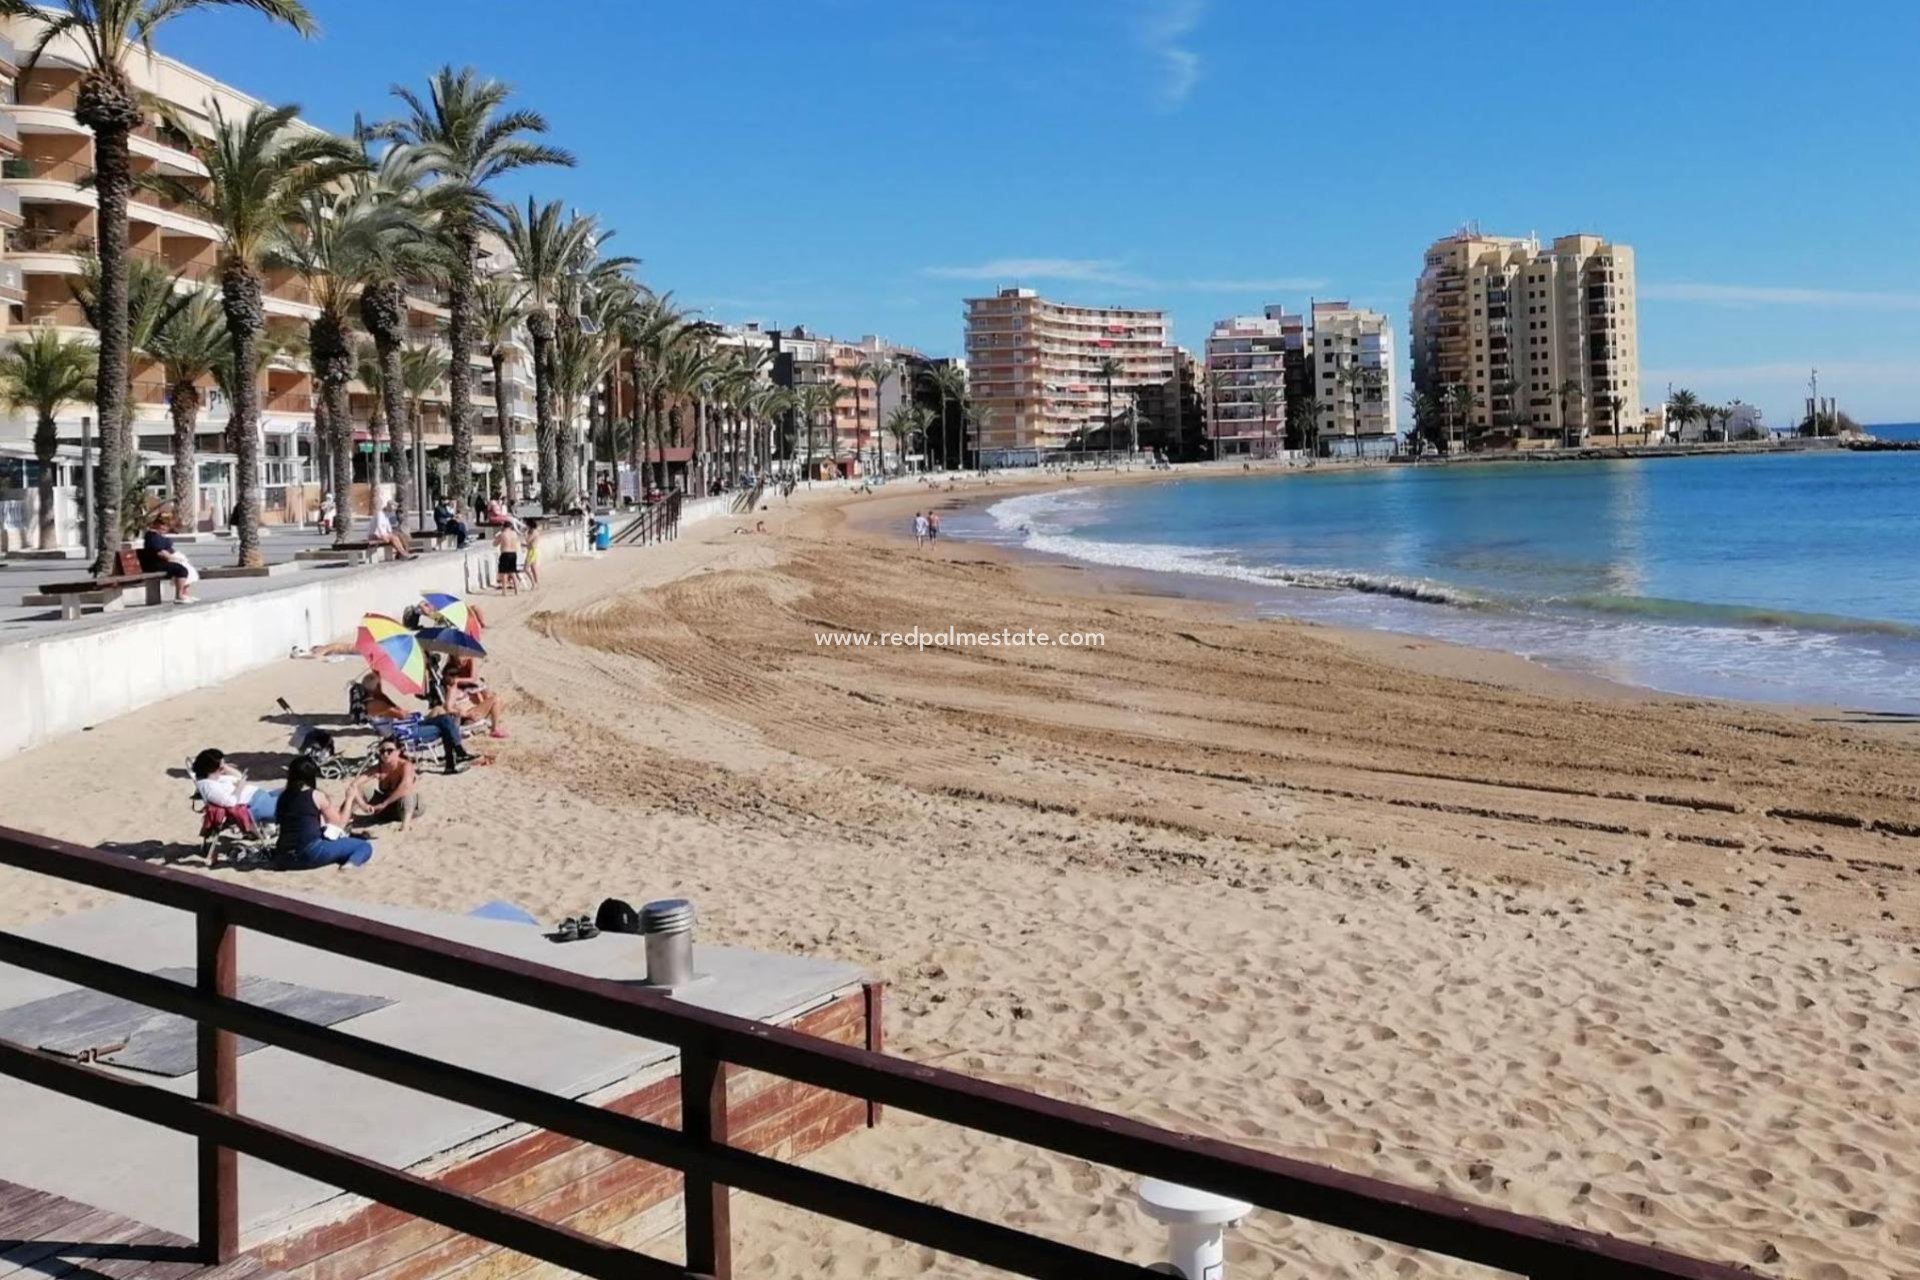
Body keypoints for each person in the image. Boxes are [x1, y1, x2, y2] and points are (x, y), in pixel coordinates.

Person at [355, 670, 475, 772]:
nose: (381, 687)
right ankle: (454, 758)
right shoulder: (376, 704)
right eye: (379, 685)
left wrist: (385, 697)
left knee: (445, 719)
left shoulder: (374, 701)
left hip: (408, 727)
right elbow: (401, 714)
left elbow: (397, 711)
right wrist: (388, 701)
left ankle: (456, 756)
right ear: (375, 688)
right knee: (445, 726)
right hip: (405, 734)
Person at [274, 755, 372, 869]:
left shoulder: (283, 796)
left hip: (283, 856)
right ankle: (351, 865)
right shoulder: (315, 796)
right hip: (309, 853)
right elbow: (340, 823)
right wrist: (349, 798)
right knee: (364, 846)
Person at [344, 737, 422, 830]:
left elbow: (405, 786)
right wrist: (363, 805)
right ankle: (345, 818)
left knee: (407, 793)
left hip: (407, 809)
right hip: (385, 810)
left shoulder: (405, 766)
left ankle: (405, 826)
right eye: (382, 751)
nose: (385, 754)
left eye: (390, 751)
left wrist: (384, 803)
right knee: (360, 790)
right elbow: (353, 785)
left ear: (398, 751)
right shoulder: (378, 768)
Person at [191, 748, 280, 826]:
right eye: (221, 768)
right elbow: (230, 802)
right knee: (292, 803)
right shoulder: (209, 787)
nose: (223, 769)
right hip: (255, 804)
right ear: (211, 769)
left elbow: (239, 776)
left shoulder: (214, 777)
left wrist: (225, 767)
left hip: (261, 795)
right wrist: (240, 787)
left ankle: (269, 828)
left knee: (291, 789)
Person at [440, 653, 509, 739]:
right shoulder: (452, 690)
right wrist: (467, 714)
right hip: (468, 712)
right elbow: (449, 708)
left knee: (487, 695)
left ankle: (487, 723)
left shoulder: (455, 687)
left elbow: (474, 679)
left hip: (469, 709)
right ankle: (494, 728)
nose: (461, 665)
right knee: (496, 700)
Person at [138, 512, 197, 603]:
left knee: (186, 567)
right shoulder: (152, 536)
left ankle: (184, 594)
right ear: (156, 524)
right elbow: (160, 553)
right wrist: (173, 558)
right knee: (181, 570)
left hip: (159, 562)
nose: (164, 527)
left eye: (166, 525)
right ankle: (179, 596)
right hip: (154, 564)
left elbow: (166, 550)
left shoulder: (158, 536)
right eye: (162, 524)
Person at [493, 520, 523, 592]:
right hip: (513, 553)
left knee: (504, 573)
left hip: (505, 553)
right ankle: (516, 590)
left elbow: (494, 544)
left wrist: (496, 537)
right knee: (513, 572)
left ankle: (504, 590)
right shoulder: (514, 534)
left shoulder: (502, 534)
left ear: (503, 526)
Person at [523, 518, 543, 587]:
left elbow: (528, 541)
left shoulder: (533, 532)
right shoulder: (534, 531)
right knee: (533, 568)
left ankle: (533, 583)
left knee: (525, 568)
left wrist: (525, 534)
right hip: (533, 550)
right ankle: (537, 583)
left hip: (532, 551)